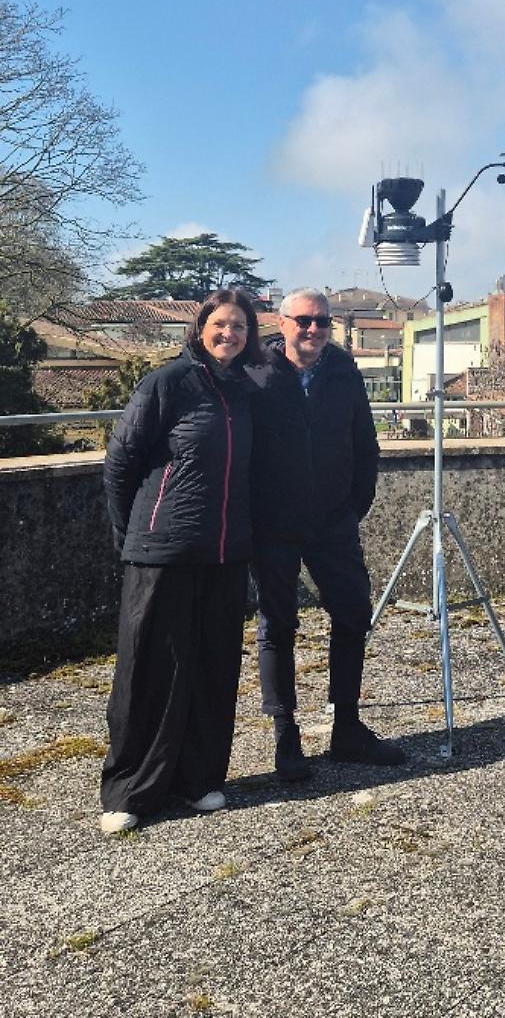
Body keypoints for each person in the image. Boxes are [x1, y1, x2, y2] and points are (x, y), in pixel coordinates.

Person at [100, 288, 263, 834]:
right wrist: (136, 538)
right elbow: (121, 465)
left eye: (240, 326)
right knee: (148, 670)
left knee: (213, 667)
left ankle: (199, 779)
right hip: (162, 550)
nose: (230, 334)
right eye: (221, 324)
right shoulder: (168, 383)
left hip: (224, 554)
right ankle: (130, 791)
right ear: (200, 328)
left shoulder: (247, 387)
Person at [250, 288, 404, 780]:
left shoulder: (342, 370)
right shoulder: (257, 372)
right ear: (282, 321)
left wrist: (353, 505)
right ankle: (285, 735)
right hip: (273, 524)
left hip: (333, 520)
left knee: (354, 612)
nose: (313, 329)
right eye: (303, 321)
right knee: (278, 625)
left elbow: (365, 443)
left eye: (322, 322)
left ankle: (346, 728)